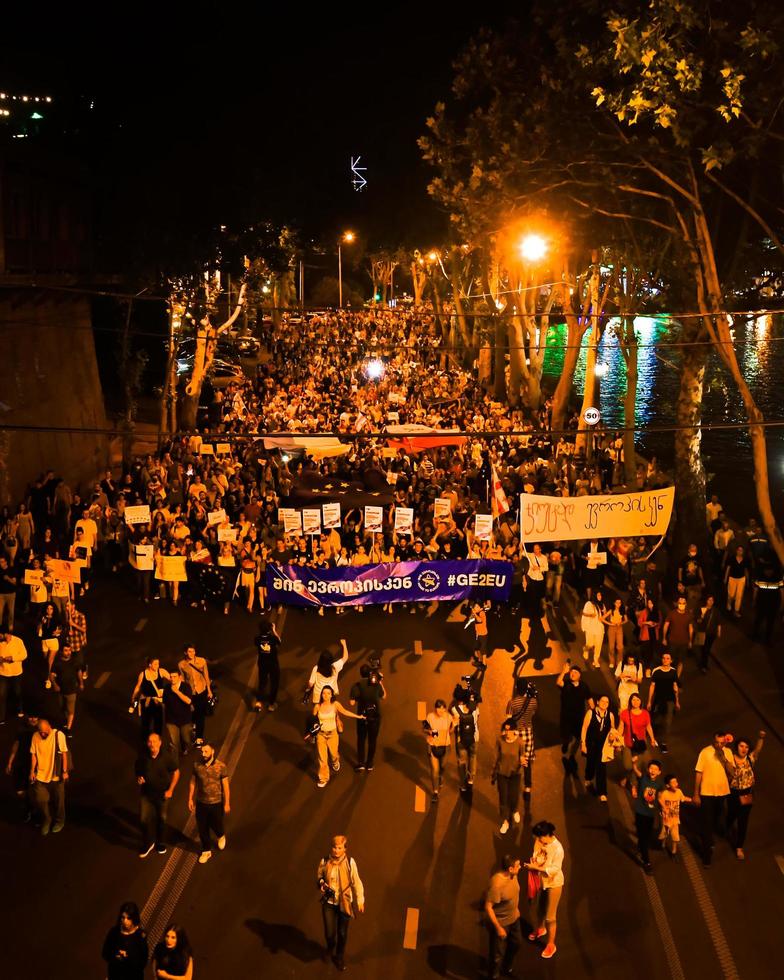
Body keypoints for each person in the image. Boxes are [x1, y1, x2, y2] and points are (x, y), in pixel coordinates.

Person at [317, 834, 365, 972]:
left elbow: (356, 882)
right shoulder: (325, 861)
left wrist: (360, 900)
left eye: (339, 848)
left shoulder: (350, 862)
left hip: (344, 902)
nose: (336, 850)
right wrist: (321, 883)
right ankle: (330, 947)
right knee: (329, 933)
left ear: (344, 849)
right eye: (334, 847)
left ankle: (339, 956)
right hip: (329, 902)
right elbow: (319, 875)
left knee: (342, 933)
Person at [524, 820, 565, 960]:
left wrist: (536, 868)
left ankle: (551, 944)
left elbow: (554, 869)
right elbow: (536, 855)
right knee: (540, 909)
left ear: (548, 834)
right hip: (542, 881)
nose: (538, 840)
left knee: (550, 916)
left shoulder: (558, 848)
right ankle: (540, 929)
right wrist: (534, 863)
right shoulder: (539, 842)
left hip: (554, 883)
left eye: (540, 837)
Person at [135, 732, 180, 858]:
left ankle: (160, 842)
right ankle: (148, 843)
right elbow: (138, 771)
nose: (152, 744)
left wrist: (171, 790)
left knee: (161, 819)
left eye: (155, 741)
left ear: (160, 743)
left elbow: (176, 772)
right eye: (150, 741)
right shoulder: (143, 757)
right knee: (143, 819)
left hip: (162, 795)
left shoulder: (166, 757)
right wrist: (139, 779)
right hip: (147, 794)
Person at [693, 731, 734, 867]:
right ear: (713, 740)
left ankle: (709, 839)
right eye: (716, 742)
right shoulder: (705, 752)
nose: (718, 745)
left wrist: (723, 758)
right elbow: (698, 772)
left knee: (716, 819)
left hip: (722, 793)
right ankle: (706, 857)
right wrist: (696, 793)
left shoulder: (727, 752)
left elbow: (732, 772)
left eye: (721, 743)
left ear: (724, 743)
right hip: (707, 793)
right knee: (707, 823)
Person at [312, 686, 362, 789]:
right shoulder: (317, 706)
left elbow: (345, 712)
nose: (326, 695)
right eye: (324, 693)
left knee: (333, 753)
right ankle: (323, 778)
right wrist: (313, 727)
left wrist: (358, 716)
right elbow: (312, 720)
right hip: (321, 735)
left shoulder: (335, 705)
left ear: (331, 695)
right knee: (322, 758)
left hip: (333, 734)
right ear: (321, 694)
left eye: (328, 693)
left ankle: (335, 761)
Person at [188, 741, 230, 864]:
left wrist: (227, 803)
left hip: (216, 803)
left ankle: (220, 835)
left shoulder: (221, 766)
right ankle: (206, 850)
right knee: (202, 828)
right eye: (202, 751)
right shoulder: (197, 766)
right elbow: (192, 782)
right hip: (201, 803)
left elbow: (226, 786)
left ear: (212, 751)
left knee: (216, 824)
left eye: (206, 751)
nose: (204, 753)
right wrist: (190, 798)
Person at [726, 731, 765, 860]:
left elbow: (758, 749)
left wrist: (760, 738)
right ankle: (726, 827)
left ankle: (739, 847)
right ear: (737, 746)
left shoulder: (750, 758)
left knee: (743, 821)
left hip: (746, 793)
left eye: (747, 747)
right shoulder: (730, 758)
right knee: (731, 814)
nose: (744, 749)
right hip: (732, 793)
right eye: (741, 746)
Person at [484, 853, 523, 979]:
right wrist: (498, 928)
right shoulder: (497, 884)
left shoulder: (513, 875)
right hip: (501, 923)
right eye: (518, 866)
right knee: (497, 955)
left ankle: (506, 968)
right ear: (510, 869)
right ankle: (493, 976)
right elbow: (488, 907)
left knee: (517, 943)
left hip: (514, 918)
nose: (520, 867)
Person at [29, 717, 69, 833]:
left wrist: (65, 771)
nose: (42, 734)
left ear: (49, 727)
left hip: (56, 776)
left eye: (44, 732)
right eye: (40, 732)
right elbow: (34, 755)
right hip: (41, 776)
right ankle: (47, 819)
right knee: (41, 800)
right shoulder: (35, 736)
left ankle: (60, 821)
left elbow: (64, 754)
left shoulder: (59, 735)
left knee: (59, 801)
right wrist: (32, 771)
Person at [349, 661, 387, 772]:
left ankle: (361, 762)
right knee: (372, 740)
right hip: (375, 717)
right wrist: (380, 682)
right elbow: (384, 696)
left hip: (362, 717)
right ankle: (369, 764)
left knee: (361, 739)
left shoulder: (357, 685)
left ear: (360, 674)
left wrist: (358, 698)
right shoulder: (376, 685)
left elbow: (351, 702)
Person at [557, 662, 594, 774]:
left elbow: (590, 699)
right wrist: (564, 671)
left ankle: (572, 754)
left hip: (579, 717)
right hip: (566, 716)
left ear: (579, 675)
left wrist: (593, 711)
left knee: (579, 737)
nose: (573, 674)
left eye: (575, 672)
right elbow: (558, 682)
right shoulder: (566, 683)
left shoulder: (584, 686)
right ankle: (566, 743)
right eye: (571, 672)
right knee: (566, 735)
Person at [491, 720, 526, 834]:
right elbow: (496, 757)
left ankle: (515, 810)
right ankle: (505, 821)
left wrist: (522, 761)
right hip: (502, 774)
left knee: (514, 795)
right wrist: (494, 771)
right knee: (503, 798)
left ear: (514, 730)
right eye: (505, 730)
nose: (507, 732)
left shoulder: (520, 742)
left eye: (509, 730)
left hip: (515, 774)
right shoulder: (500, 741)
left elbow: (522, 755)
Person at [505, 676, 537, 797]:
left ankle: (512, 782)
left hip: (517, 734)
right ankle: (528, 787)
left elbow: (508, 720)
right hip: (528, 732)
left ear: (517, 688)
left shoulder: (512, 703)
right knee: (527, 761)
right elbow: (533, 713)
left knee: (515, 759)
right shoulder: (533, 701)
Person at [580, 694, 616, 801]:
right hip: (591, 744)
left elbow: (612, 729)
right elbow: (584, 728)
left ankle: (602, 792)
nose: (605, 704)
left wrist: (612, 735)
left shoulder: (610, 715)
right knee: (590, 763)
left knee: (601, 768)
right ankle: (588, 778)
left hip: (603, 746)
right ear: (597, 702)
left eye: (607, 702)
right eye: (603, 701)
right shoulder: (590, 713)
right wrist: (583, 744)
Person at [101, 902, 149, 980]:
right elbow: (105, 953)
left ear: (134, 918)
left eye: (128, 918)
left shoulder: (140, 936)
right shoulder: (114, 932)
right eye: (123, 917)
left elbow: (143, 962)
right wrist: (116, 955)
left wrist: (128, 957)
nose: (125, 921)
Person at [631, 759, 664, 873]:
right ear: (647, 769)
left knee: (646, 835)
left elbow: (659, 797)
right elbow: (635, 770)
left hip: (650, 814)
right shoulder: (643, 778)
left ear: (659, 772)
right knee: (643, 837)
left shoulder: (660, 784)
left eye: (655, 769)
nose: (653, 770)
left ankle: (640, 848)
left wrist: (663, 808)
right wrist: (634, 763)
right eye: (651, 768)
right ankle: (646, 862)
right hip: (640, 812)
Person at [618, 692, 656, 786]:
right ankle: (626, 776)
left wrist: (652, 739)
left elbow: (648, 727)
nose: (635, 702)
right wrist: (617, 741)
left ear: (641, 702)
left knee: (643, 764)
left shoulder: (645, 713)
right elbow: (621, 728)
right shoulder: (625, 713)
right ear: (630, 701)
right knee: (628, 766)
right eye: (633, 700)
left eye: (637, 700)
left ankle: (633, 783)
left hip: (641, 744)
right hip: (628, 744)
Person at [5, 712, 38, 821]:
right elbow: (16, 745)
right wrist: (10, 762)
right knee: (20, 791)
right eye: (31, 716)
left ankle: (34, 812)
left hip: (35, 765)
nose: (33, 719)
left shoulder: (40, 731)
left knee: (35, 791)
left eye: (35, 717)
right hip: (21, 763)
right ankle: (28, 807)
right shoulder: (21, 729)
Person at [178, 645, 213, 743]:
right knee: (193, 712)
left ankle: (199, 737)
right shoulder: (181, 665)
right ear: (185, 652)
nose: (192, 653)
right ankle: (194, 724)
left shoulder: (201, 661)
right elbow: (183, 680)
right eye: (189, 651)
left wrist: (209, 690)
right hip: (191, 692)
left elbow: (206, 675)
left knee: (201, 714)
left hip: (201, 690)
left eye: (193, 651)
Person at [130, 657, 172, 738]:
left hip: (157, 702)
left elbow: (172, 679)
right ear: (150, 665)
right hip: (146, 702)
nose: (158, 665)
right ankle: (145, 741)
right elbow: (138, 687)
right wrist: (133, 698)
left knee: (158, 723)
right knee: (145, 723)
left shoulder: (161, 671)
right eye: (155, 664)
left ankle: (157, 742)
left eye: (158, 663)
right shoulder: (143, 674)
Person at [647, 652, 680, 753]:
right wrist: (649, 701)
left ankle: (664, 743)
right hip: (658, 699)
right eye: (664, 658)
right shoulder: (656, 671)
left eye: (668, 658)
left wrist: (677, 701)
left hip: (670, 700)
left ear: (671, 661)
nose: (665, 660)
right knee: (655, 719)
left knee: (667, 722)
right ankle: (652, 735)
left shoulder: (673, 672)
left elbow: (675, 686)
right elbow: (652, 686)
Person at [50, 642, 85, 734]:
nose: (68, 652)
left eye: (69, 650)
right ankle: (67, 721)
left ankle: (69, 728)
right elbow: (52, 675)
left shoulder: (75, 661)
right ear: (61, 652)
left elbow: (79, 672)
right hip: (61, 690)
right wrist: (54, 684)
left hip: (72, 690)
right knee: (62, 708)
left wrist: (81, 683)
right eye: (66, 650)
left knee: (70, 710)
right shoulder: (57, 663)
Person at [424, 699, 453, 803]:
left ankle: (441, 777)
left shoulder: (449, 717)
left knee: (442, 767)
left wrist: (453, 725)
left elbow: (451, 731)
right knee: (435, 770)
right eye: (438, 708)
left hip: (445, 747)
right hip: (433, 746)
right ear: (435, 708)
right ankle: (435, 792)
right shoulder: (430, 717)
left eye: (442, 708)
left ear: (445, 708)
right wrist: (430, 731)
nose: (440, 710)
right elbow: (424, 728)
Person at [658, 773, 692, 861]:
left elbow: (683, 798)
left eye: (676, 781)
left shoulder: (679, 792)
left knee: (675, 837)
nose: (676, 783)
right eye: (673, 782)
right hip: (666, 819)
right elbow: (660, 800)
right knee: (664, 834)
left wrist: (692, 799)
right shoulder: (665, 793)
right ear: (667, 785)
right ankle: (663, 844)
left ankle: (674, 852)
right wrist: (663, 808)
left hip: (675, 819)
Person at [451, 690, 479, 791]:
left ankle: (463, 784)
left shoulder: (454, 709)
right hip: (474, 738)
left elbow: (454, 723)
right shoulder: (476, 709)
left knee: (462, 761)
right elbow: (477, 720)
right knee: (473, 757)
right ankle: (471, 779)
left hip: (460, 739)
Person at [253, 616, 281, 711]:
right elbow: (279, 641)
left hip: (262, 663)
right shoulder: (272, 638)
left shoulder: (257, 639)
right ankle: (271, 704)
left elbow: (256, 643)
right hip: (273, 664)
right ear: (269, 629)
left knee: (262, 682)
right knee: (274, 683)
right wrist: (274, 630)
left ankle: (258, 702)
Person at [163, 671, 194, 756]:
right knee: (174, 742)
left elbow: (188, 701)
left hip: (184, 719)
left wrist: (177, 692)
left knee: (185, 739)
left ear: (180, 677)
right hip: (171, 720)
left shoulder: (186, 687)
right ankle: (175, 760)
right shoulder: (166, 688)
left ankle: (185, 747)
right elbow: (164, 702)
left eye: (175, 676)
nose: (172, 679)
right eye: (171, 677)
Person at [0, 629, 27, 724]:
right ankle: (1, 717)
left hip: (16, 672)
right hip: (3, 672)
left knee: (17, 692)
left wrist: (13, 658)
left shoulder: (18, 641)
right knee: (1, 694)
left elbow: (24, 655)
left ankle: (20, 709)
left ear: (6, 634)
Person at [662, 596, 693, 668]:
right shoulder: (671, 613)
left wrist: (690, 641)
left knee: (681, 661)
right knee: (671, 660)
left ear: (686, 604)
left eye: (683, 603)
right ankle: (671, 675)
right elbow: (665, 625)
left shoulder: (689, 615)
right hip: (673, 642)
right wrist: (664, 638)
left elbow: (691, 629)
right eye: (680, 603)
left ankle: (677, 677)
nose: (681, 605)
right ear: (677, 603)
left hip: (684, 643)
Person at [696, 594, 721, 673]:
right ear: (706, 601)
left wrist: (719, 631)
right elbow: (698, 621)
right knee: (704, 649)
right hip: (703, 633)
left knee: (707, 649)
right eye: (709, 600)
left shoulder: (715, 610)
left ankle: (703, 664)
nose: (710, 602)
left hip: (712, 634)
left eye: (712, 600)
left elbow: (718, 622)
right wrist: (702, 616)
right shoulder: (702, 609)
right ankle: (704, 665)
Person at [580, 590, 605, 668]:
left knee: (598, 645)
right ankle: (585, 650)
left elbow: (603, 616)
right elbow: (583, 613)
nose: (600, 597)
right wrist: (590, 615)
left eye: (600, 595)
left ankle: (596, 660)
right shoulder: (589, 604)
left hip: (599, 628)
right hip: (590, 627)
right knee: (590, 644)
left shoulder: (602, 605)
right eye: (598, 595)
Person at [724, 545, 750, 617]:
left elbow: (746, 570)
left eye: (741, 550)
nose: (739, 551)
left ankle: (736, 610)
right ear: (736, 551)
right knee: (731, 594)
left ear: (743, 552)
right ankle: (728, 606)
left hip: (741, 579)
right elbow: (728, 568)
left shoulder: (745, 560)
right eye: (738, 550)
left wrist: (747, 580)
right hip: (732, 578)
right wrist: (725, 578)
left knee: (739, 595)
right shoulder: (732, 558)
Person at [602, 597, 628, 669]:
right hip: (612, 628)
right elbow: (601, 618)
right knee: (611, 647)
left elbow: (626, 620)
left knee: (620, 647)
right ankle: (611, 661)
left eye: (620, 603)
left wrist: (621, 623)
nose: (618, 604)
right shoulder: (611, 610)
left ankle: (619, 661)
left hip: (619, 628)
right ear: (614, 603)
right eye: (617, 602)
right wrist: (610, 624)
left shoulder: (622, 611)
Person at [470, 600, 490, 667]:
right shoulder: (476, 613)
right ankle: (480, 660)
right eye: (475, 607)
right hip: (478, 634)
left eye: (477, 606)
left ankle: (484, 664)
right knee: (477, 648)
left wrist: (475, 614)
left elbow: (480, 620)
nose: (476, 608)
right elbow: (471, 619)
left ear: (480, 608)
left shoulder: (482, 613)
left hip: (483, 634)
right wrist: (472, 614)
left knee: (483, 650)